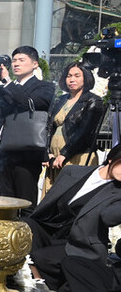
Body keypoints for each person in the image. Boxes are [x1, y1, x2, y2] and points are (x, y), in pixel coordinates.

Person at [25, 144, 121, 292]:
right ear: (111, 159)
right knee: (25, 227)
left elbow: (109, 217)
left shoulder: (118, 191)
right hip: (51, 228)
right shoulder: (73, 172)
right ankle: (36, 276)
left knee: (41, 257)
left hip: (79, 242)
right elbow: (51, 202)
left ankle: (41, 284)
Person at [0, 46, 55, 208]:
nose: (16, 64)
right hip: (2, 151)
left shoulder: (44, 87)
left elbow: (27, 101)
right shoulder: (4, 88)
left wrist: (8, 81)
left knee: (25, 201)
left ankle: (26, 232)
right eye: (14, 61)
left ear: (34, 64)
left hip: (27, 152)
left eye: (21, 60)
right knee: (5, 201)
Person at [42, 62, 103, 196]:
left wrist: (64, 153)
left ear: (85, 78)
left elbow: (84, 132)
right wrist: (47, 152)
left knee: (71, 195)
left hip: (77, 155)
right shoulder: (60, 99)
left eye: (77, 76)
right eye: (69, 76)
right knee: (51, 196)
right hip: (55, 156)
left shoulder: (93, 101)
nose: (72, 79)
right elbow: (48, 127)